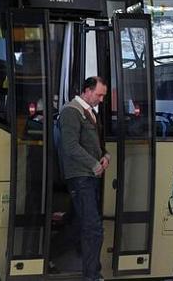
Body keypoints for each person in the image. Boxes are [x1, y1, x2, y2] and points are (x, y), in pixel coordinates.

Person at [59, 76, 110, 281]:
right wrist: (94, 164)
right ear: (87, 91)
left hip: (88, 176)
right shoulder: (72, 112)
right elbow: (70, 146)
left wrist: (105, 156)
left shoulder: (89, 113)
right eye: (99, 95)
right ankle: (92, 276)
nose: (101, 99)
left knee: (80, 223)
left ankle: (56, 257)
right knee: (93, 227)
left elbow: (95, 145)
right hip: (81, 177)